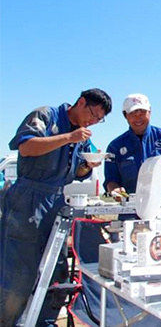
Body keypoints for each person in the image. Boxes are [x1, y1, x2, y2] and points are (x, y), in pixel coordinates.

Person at [0, 88, 112, 327]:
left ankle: (45, 322)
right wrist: (69, 137)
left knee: (55, 271)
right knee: (19, 274)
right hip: (28, 200)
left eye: (99, 120)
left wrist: (89, 165)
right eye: (93, 114)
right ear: (81, 102)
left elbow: (79, 171)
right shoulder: (46, 116)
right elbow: (26, 147)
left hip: (57, 202)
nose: (93, 121)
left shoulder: (82, 137)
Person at [104, 93, 161, 198]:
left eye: (142, 112)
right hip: (130, 205)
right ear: (125, 115)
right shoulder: (114, 147)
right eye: (132, 113)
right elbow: (111, 179)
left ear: (150, 112)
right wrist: (115, 190)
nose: (138, 118)